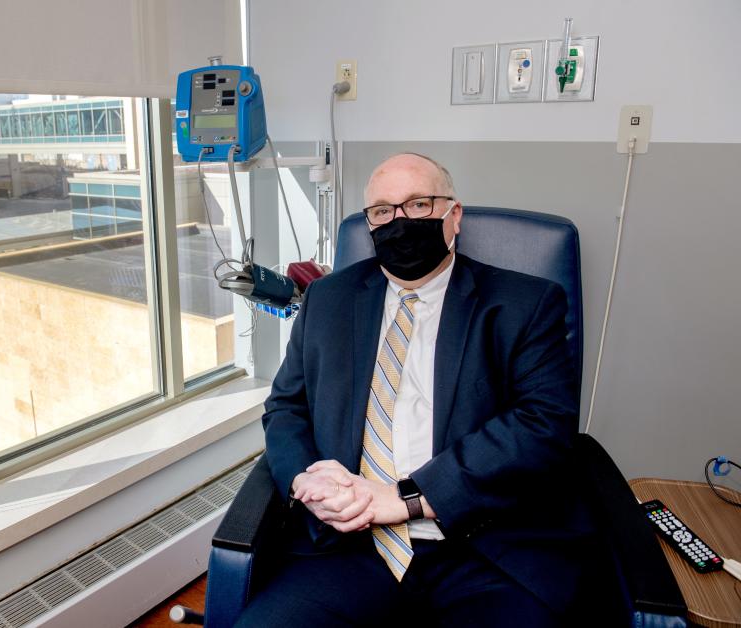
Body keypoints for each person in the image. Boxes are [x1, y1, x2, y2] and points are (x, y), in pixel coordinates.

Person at [236, 153, 610, 626]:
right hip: (347, 545)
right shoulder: (327, 300)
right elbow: (286, 407)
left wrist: (409, 499)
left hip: (480, 550)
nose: (400, 222)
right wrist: (305, 479)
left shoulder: (524, 305)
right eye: (383, 212)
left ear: (453, 216)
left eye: (418, 205)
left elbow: (543, 428)